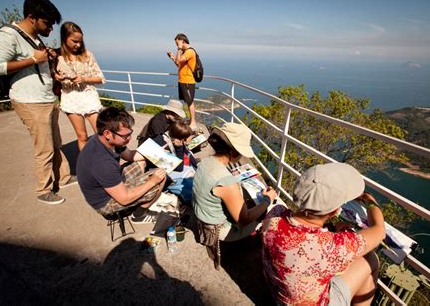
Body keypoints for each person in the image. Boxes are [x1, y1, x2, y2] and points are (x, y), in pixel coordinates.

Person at [262, 163, 386, 305]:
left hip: (280, 296)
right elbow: (379, 230)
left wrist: (332, 227)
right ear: (334, 212)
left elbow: (303, 233)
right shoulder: (330, 247)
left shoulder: (275, 215)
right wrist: (369, 199)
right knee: (371, 259)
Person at [0, 0, 73, 205]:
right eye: (47, 23)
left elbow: (38, 65)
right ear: (32, 17)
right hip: (29, 100)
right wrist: (32, 59)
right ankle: (43, 190)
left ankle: (63, 177)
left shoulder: (34, 38)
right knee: (43, 147)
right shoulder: (8, 34)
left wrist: (50, 66)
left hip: (45, 98)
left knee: (55, 142)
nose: (51, 29)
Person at [192, 122, 277, 267]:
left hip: (203, 218)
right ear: (233, 152)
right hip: (220, 230)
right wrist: (268, 200)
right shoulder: (226, 181)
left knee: (250, 204)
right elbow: (243, 219)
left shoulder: (205, 162)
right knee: (268, 212)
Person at [76, 107, 167, 224]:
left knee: (142, 161)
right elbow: (124, 199)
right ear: (107, 133)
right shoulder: (102, 163)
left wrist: (158, 153)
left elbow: (129, 155)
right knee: (161, 177)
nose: (130, 138)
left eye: (130, 133)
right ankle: (139, 215)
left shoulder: (105, 140)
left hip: (113, 183)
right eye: (125, 136)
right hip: (105, 202)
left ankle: (141, 199)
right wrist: (152, 182)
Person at [54, 21, 105, 151]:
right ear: (64, 38)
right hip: (70, 97)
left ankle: (106, 165)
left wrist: (84, 79)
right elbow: (48, 74)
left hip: (88, 95)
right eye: (74, 41)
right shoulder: (55, 55)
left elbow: (100, 78)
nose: (78, 44)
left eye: (80, 41)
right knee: (82, 136)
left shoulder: (88, 55)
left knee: (102, 133)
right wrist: (55, 77)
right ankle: (86, 167)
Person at [153, 119, 197, 203]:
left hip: (175, 169)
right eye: (183, 138)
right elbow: (179, 167)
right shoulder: (161, 143)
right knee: (190, 189)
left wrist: (197, 167)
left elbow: (188, 154)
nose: (184, 140)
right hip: (166, 174)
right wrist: (179, 148)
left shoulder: (175, 139)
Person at [167, 33, 197, 130]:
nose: (177, 46)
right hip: (183, 80)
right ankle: (190, 120)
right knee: (187, 101)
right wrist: (172, 57)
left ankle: (193, 123)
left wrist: (179, 49)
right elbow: (178, 64)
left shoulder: (189, 52)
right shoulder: (184, 52)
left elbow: (178, 61)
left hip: (188, 81)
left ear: (183, 41)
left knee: (190, 102)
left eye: (177, 43)